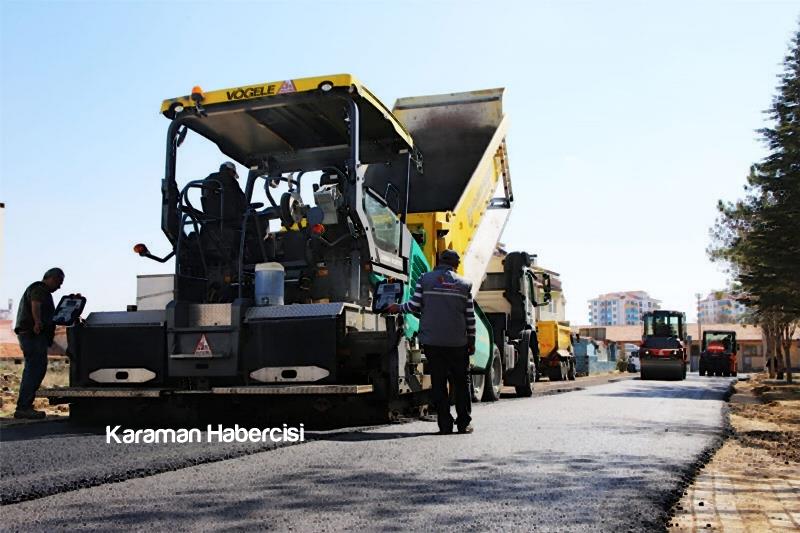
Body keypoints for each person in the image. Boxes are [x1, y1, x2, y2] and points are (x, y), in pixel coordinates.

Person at [387, 250, 476, 434]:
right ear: (456, 265)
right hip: (458, 343)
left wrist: (398, 308)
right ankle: (463, 423)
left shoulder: (425, 279)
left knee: (439, 382)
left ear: (439, 261)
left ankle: (444, 424)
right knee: (461, 383)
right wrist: (472, 340)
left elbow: (414, 305)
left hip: (433, 342)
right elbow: (470, 317)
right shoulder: (465, 284)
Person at [13, 268, 65, 419]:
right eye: (59, 282)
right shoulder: (39, 289)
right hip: (33, 335)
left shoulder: (40, 290)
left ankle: (25, 406)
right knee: (34, 370)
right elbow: (35, 303)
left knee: (35, 369)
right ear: (52, 278)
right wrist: (37, 322)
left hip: (32, 336)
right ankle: (24, 407)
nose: (59, 286)